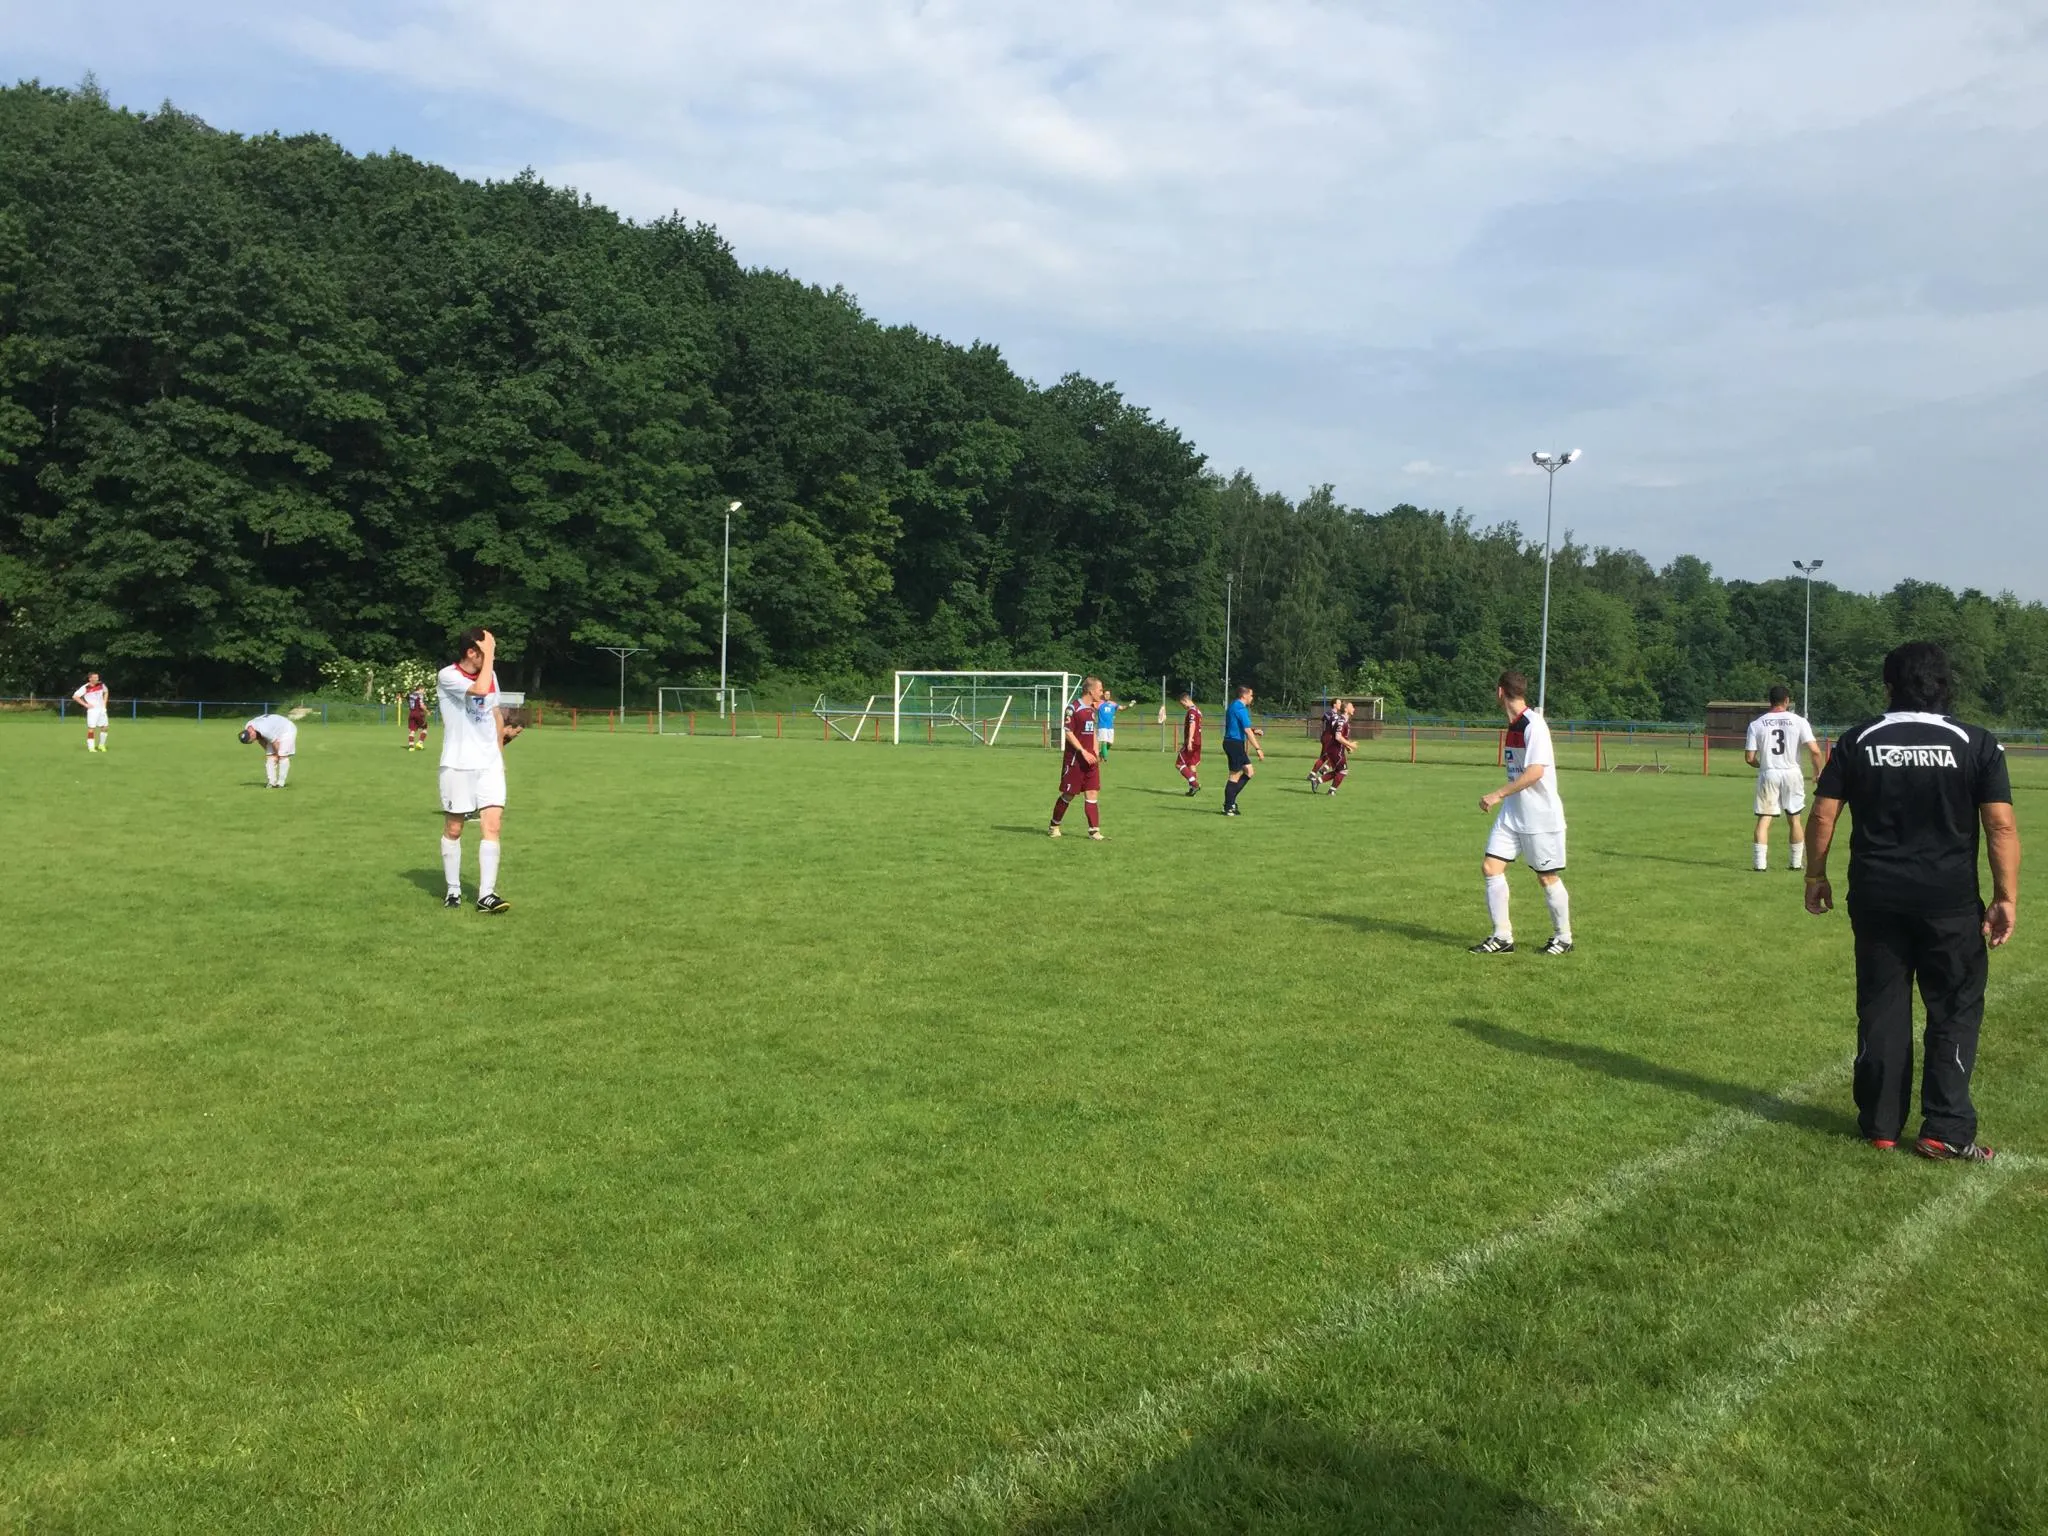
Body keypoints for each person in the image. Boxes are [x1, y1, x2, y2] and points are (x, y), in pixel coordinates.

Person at [1803, 641, 2018, 1161]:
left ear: (1889, 686)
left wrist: (1816, 874)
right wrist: (2005, 896)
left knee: (1882, 1006)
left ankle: (1880, 1125)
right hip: (1949, 901)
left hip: (1877, 897)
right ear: (1945, 685)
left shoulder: (1859, 739)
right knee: (1954, 1007)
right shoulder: (1976, 742)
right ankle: (1945, 1129)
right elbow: (2000, 825)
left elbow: (1824, 813)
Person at [1470, 670, 1573, 955]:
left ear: (1500, 692)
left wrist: (1498, 794)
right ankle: (1502, 937)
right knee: (1491, 867)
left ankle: (1563, 938)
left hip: (1539, 816)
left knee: (1546, 877)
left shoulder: (1533, 725)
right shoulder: (1514, 724)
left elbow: (1535, 772)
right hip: (1513, 815)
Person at [438, 627, 523, 912]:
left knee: (493, 825)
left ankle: (486, 895)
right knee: (454, 828)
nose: (490, 658)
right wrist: (491, 654)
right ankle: (453, 889)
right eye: (485, 651)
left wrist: (499, 755)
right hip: (458, 764)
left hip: (489, 764)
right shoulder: (448, 676)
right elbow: (478, 690)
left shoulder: (490, 674)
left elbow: (495, 713)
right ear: (471, 652)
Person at [1745, 685, 1823, 870]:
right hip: (1792, 773)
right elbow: (1815, 751)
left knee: (1764, 819)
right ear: (1787, 700)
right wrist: (1817, 772)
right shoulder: (1799, 721)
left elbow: (1749, 758)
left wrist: (1762, 765)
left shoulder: (1756, 724)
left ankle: (1760, 865)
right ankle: (1795, 863)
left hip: (1769, 772)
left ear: (1770, 701)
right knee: (1794, 819)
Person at [1049, 676, 1106, 840]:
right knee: (1069, 794)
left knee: (1092, 793)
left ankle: (1094, 831)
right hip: (1075, 760)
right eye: (1100, 690)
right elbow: (1068, 732)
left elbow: (1092, 731)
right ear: (1091, 691)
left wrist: (1095, 751)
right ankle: (1054, 825)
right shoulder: (1072, 708)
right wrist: (1083, 751)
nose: (1102, 693)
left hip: (1090, 761)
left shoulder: (1092, 710)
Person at [1220, 684, 1264, 817]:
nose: (1252, 698)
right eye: (1251, 695)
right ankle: (1228, 806)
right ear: (1244, 695)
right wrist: (1258, 748)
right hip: (1234, 744)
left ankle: (1231, 802)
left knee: (1249, 772)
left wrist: (1254, 730)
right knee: (1234, 775)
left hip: (1235, 743)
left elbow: (1240, 726)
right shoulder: (1240, 708)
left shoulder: (1234, 706)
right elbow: (1246, 731)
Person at [238, 712, 299, 787]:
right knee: (270, 757)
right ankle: (271, 782)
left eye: (251, 740)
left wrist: (277, 755)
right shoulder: (248, 727)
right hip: (274, 731)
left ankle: (281, 783)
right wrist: (270, 754)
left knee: (282, 755)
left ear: (251, 734)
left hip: (286, 729)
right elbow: (260, 740)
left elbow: (275, 742)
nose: (253, 741)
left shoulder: (264, 730)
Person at [1314, 699, 1359, 796]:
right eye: (1352, 707)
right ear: (1346, 709)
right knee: (1343, 771)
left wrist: (1347, 747)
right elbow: (1338, 737)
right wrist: (1350, 745)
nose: (1354, 709)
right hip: (1336, 750)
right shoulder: (1341, 721)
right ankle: (1331, 791)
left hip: (1337, 750)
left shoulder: (1344, 721)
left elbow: (1341, 737)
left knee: (1338, 771)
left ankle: (1318, 781)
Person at [1308, 700, 1342, 792]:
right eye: (1339, 703)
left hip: (1329, 737)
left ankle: (1321, 770)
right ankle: (1314, 773)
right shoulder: (1330, 714)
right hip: (1328, 737)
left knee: (1333, 755)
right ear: (1334, 704)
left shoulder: (1333, 715)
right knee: (1325, 757)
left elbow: (1324, 724)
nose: (1340, 704)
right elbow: (1329, 725)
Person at [71, 672, 110, 752]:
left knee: (105, 727)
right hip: (93, 711)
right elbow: (75, 696)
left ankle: (101, 745)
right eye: (94, 677)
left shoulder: (101, 684)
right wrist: (85, 704)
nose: (96, 679)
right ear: (90, 679)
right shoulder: (85, 687)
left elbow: (106, 692)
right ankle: (91, 747)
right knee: (91, 728)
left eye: (97, 677)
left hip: (102, 709)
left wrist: (104, 703)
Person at [1175, 687, 1203, 795]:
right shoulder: (1198, 710)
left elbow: (1192, 725)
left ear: (1185, 700)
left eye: (1182, 704)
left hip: (1192, 740)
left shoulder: (1191, 711)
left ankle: (1195, 784)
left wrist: (1190, 740)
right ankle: (1192, 789)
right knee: (1192, 764)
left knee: (1179, 764)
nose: (1183, 706)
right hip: (1198, 741)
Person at [405, 686, 431, 751]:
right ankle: (420, 743)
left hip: (411, 714)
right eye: (423, 690)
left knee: (412, 730)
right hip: (418, 714)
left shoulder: (411, 695)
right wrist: (427, 711)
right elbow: (421, 705)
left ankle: (411, 747)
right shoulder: (420, 695)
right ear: (420, 689)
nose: (423, 692)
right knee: (424, 727)